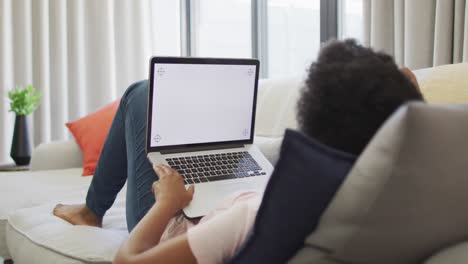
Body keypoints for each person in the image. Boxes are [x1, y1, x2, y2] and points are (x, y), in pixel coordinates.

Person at [53, 39, 424, 263]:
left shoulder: (253, 218)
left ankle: (91, 211)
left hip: (171, 219)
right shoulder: (400, 203)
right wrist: (410, 107)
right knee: (235, 147)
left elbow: (128, 261)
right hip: (237, 192)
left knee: (140, 94)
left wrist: (167, 202)